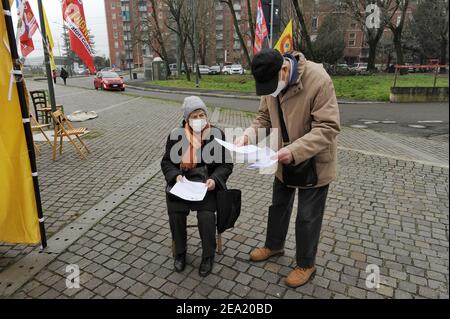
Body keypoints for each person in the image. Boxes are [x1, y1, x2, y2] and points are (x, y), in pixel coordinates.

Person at [235, 49, 340, 288]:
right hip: (282, 159)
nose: (270, 92)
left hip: (313, 161)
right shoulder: (271, 82)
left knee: (307, 217)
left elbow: (328, 127)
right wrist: (248, 136)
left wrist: (294, 151)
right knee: (278, 205)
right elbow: (264, 117)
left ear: (284, 69)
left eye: (273, 85)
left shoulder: (319, 80)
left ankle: (306, 264)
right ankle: (274, 246)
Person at [161, 96, 233, 277]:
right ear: (187, 119)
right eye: (194, 116)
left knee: (206, 216)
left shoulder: (216, 135)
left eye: (202, 115)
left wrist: (215, 179)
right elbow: (167, 162)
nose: (199, 119)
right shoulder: (176, 135)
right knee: (176, 213)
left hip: (205, 186)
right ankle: (180, 253)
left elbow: (226, 165)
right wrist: (175, 175)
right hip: (183, 184)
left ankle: (208, 256)